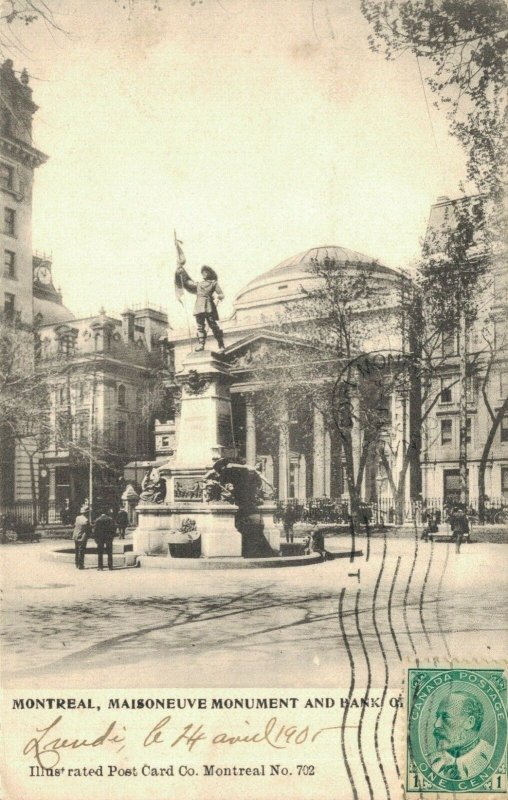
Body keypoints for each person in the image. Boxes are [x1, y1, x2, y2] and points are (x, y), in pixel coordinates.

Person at [427, 690, 494, 780]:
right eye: (437, 716)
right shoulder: (428, 761)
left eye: (446, 717)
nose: (436, 724)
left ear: (469, 722)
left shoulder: (492, 759)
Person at [176, 264, 225, 352]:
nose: (204, 274)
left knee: (213, 325)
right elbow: (187, 282)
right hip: (198, 306)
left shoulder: (214, 283)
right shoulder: (198, 284)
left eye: (206, 272)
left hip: (209, 306)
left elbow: (221, 293)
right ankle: (201, 344)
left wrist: (220, 297)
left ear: (209, 273)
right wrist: (181, 271)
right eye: (203, 272)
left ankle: (220, 343)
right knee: (200, 326)